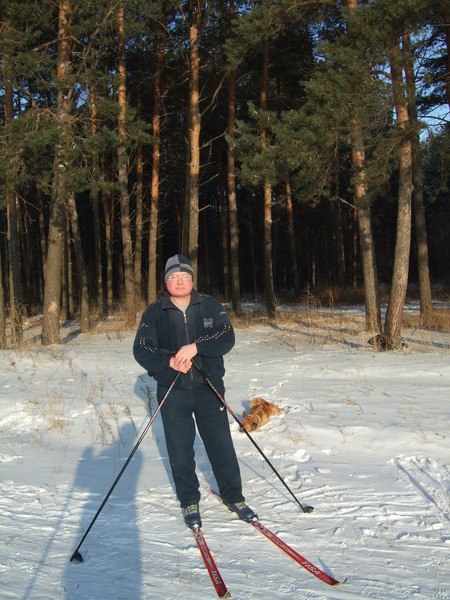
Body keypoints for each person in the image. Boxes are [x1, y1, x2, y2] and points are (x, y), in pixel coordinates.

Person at [133, 254, 256, 530]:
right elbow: (142, 349)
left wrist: (196, 346)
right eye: (174, 277)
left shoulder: (209, 305)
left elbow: (226, 337)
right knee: (179, 449)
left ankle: (233, 496)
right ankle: (189, 499)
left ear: (192, 279)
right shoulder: (155, 312)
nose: (180, 281)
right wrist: (168, 361)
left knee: (220, 444)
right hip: (172, 390)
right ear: (166, 282)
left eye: (184, 276)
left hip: (208, 387)